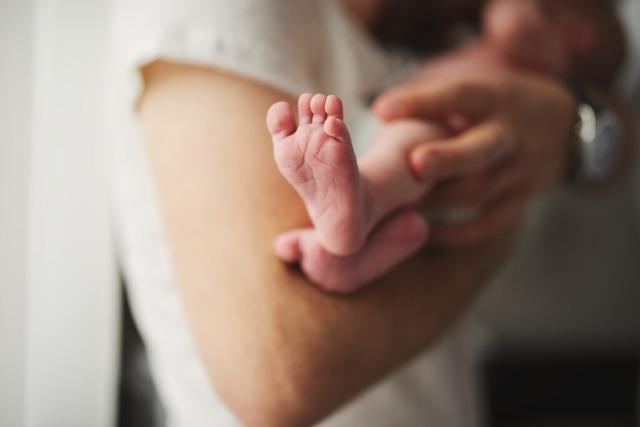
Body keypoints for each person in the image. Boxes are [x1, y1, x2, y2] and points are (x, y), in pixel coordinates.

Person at [111, 0, 633, 426]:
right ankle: (362, 212)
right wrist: (532, 178)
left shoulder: (509, 50)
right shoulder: (208, 15)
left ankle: (358, 225)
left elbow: (619, 118)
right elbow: (279, 379)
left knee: (418, 138)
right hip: (433, 151)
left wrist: (571, 123)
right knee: (416, 135)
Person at [265, 0, 628, 293]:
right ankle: (348, 259)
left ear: (571, 34)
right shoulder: (466, 37)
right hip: (393, 147)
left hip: (433, 141)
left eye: (543, 7)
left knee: (416, 138)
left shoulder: (520, 75)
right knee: (395, 210)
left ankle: (366, 199)